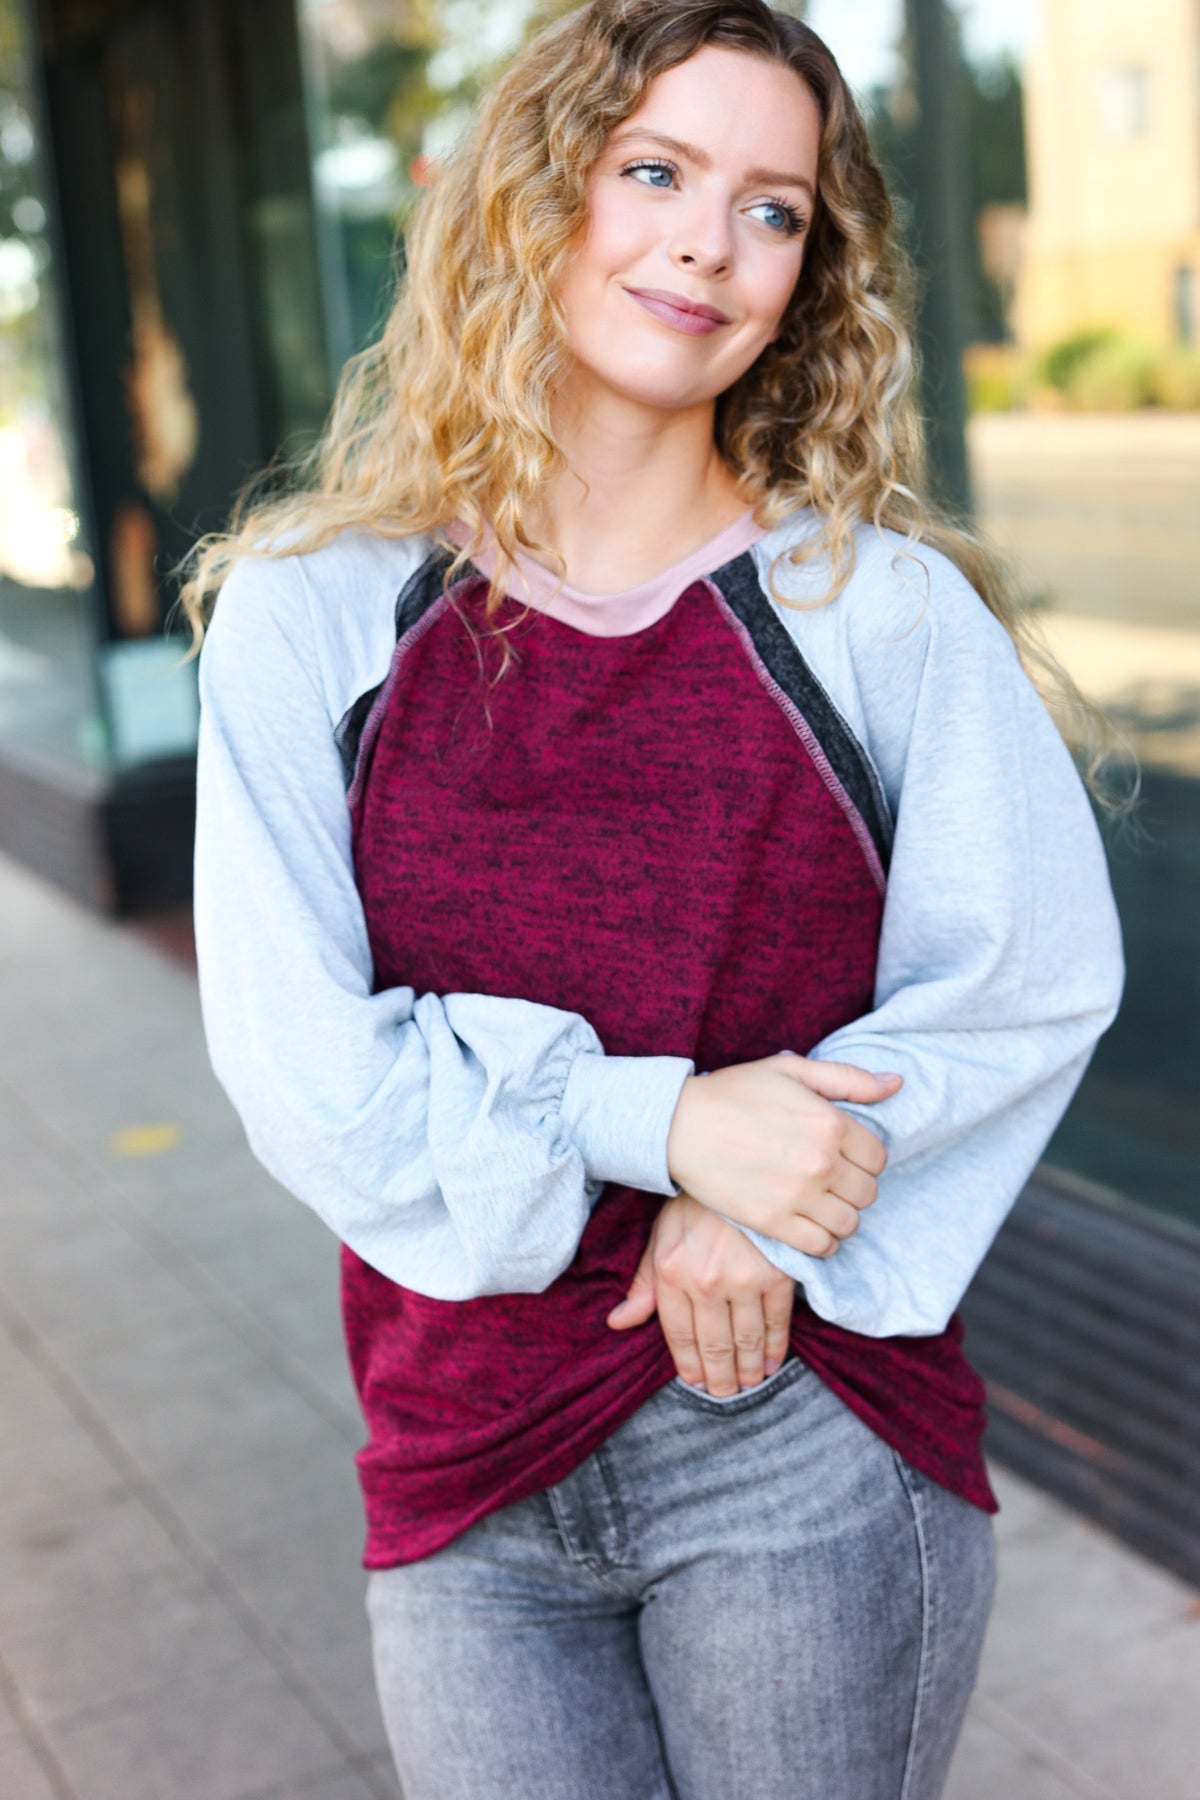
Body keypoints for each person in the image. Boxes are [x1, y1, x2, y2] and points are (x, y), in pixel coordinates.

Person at [184, 3, 1124, 1795]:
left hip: (798, 1435)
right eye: (656, 171)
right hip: (457, 1461)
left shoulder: (876, 613)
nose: (709, 238)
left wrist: (772, 1213)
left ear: (805, 277)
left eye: (774, 209)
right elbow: (308, 1074)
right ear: (537, 200)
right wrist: (669, 1126)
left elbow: (1021, 982)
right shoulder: (316, 616)